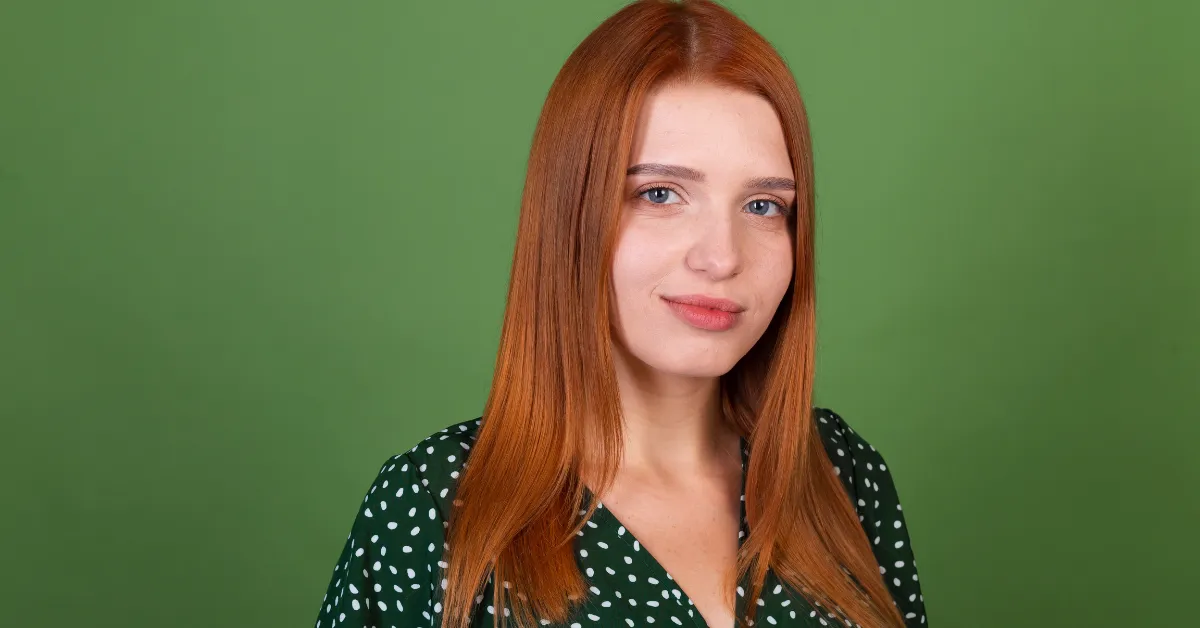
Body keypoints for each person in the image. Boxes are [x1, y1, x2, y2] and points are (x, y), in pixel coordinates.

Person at [313, 1, 927, 626]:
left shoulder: (841, 473)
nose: (721, 257)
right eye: (660, 194)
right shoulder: (432, 506)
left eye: (764, 205)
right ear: (571, 212)